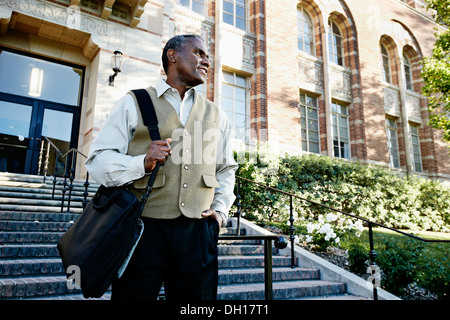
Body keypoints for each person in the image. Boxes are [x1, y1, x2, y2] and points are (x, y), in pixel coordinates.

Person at [85, 34, 238, 300]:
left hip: (198, 233)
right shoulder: (134, 102)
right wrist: (140, 162)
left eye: (207, 56)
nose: (206, 61)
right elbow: (97, 160)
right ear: (172, 55)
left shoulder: (217, 114)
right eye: (199, 53)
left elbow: (225, 169)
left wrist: (220, 212)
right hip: (143, 231)